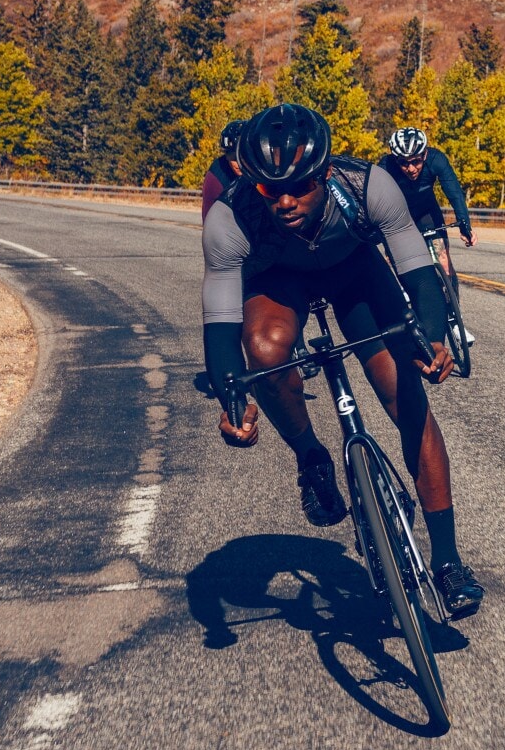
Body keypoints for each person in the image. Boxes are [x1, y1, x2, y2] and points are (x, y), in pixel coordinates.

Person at [200, 104, 484, 616]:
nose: (284, 201)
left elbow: (420, 275)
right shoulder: (230, 216)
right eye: (270, 189)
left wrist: (436, 338)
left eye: (300, 186)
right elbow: (220, 324)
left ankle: (448, 562)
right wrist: (232, 398)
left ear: (325, 173)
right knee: (263, 350)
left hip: (353, 273)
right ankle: (310, 455)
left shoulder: (366, 185)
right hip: (277, 281)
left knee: (408, 400)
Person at [379, 126, 476, 343]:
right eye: (403, 163)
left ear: (424, 154)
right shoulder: (385, 166)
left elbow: (455, 193)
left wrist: (465, 226)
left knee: (443, 259)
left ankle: (454, 321)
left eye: (415, 161)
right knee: (392, 259)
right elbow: (375, 202)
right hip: (398, 215)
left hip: (427, 213)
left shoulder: (436, 160)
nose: (410, 168)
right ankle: (404, 292)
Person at [200, 119, 248, 220]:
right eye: (234, 159)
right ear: (226, 156)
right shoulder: (216, 176)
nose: (238, 164)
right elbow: (209, 218)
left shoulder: (263, 167)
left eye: (242, 158)